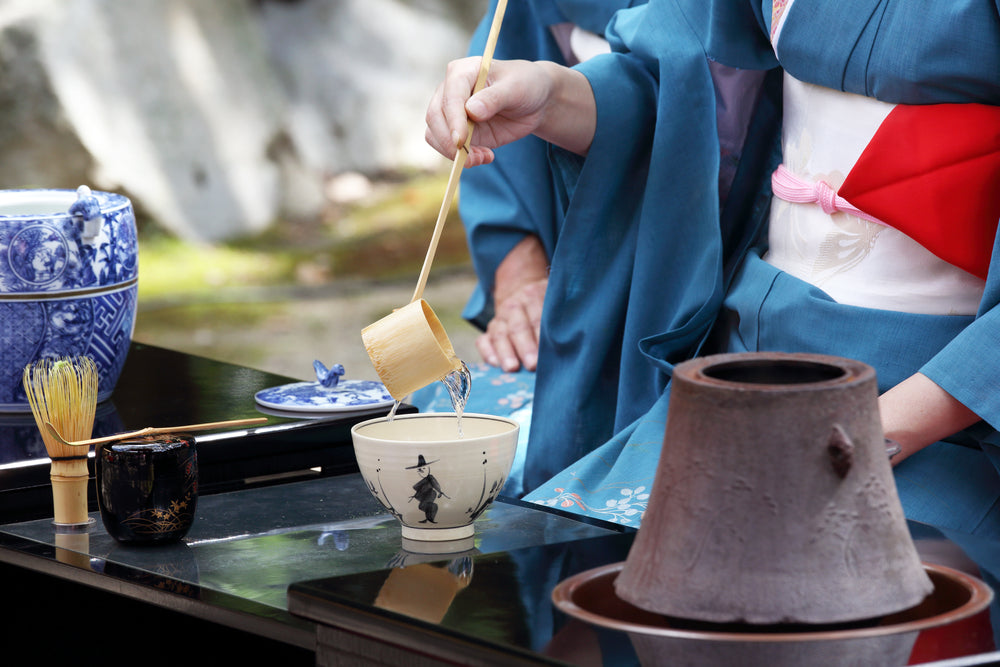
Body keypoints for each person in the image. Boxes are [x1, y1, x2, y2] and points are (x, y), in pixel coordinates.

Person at [425, 0, 1000, 536]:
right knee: (523, 521)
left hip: (941, 403)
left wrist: (870, 436)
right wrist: (552, 96)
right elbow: (690, 97)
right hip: (738, 360)